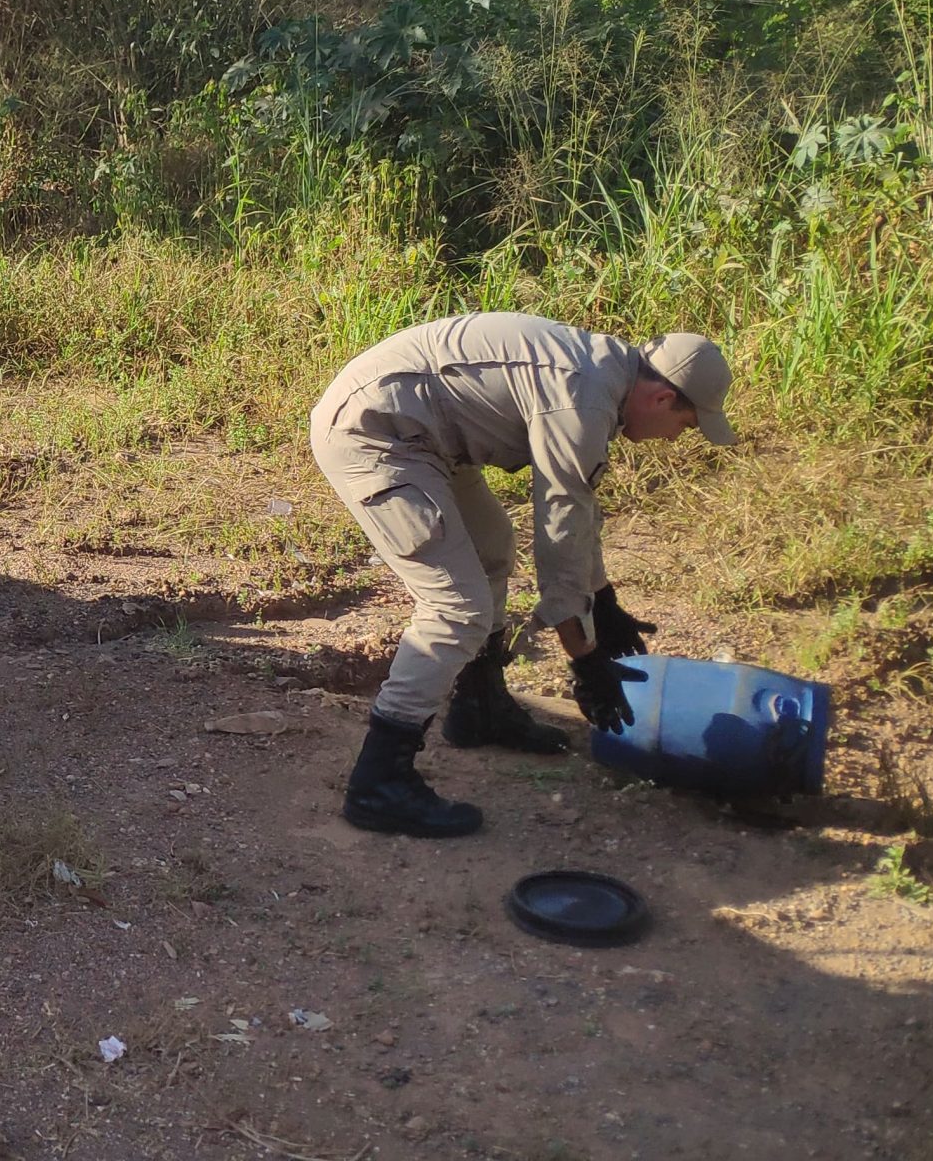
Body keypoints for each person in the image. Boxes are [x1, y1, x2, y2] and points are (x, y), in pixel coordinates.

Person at [307, 312, 736, 838]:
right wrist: (587, 659)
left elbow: (575, 514)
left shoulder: (603, 376)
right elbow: (559, 529)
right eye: (686, 426)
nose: (675, 439)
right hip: (375, 434)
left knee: (493, 550)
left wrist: (601, 598)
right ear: (663, 399)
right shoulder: (583, 398)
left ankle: (480, 707)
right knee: (455, 609)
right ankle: (378, 781)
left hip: (424, 433)